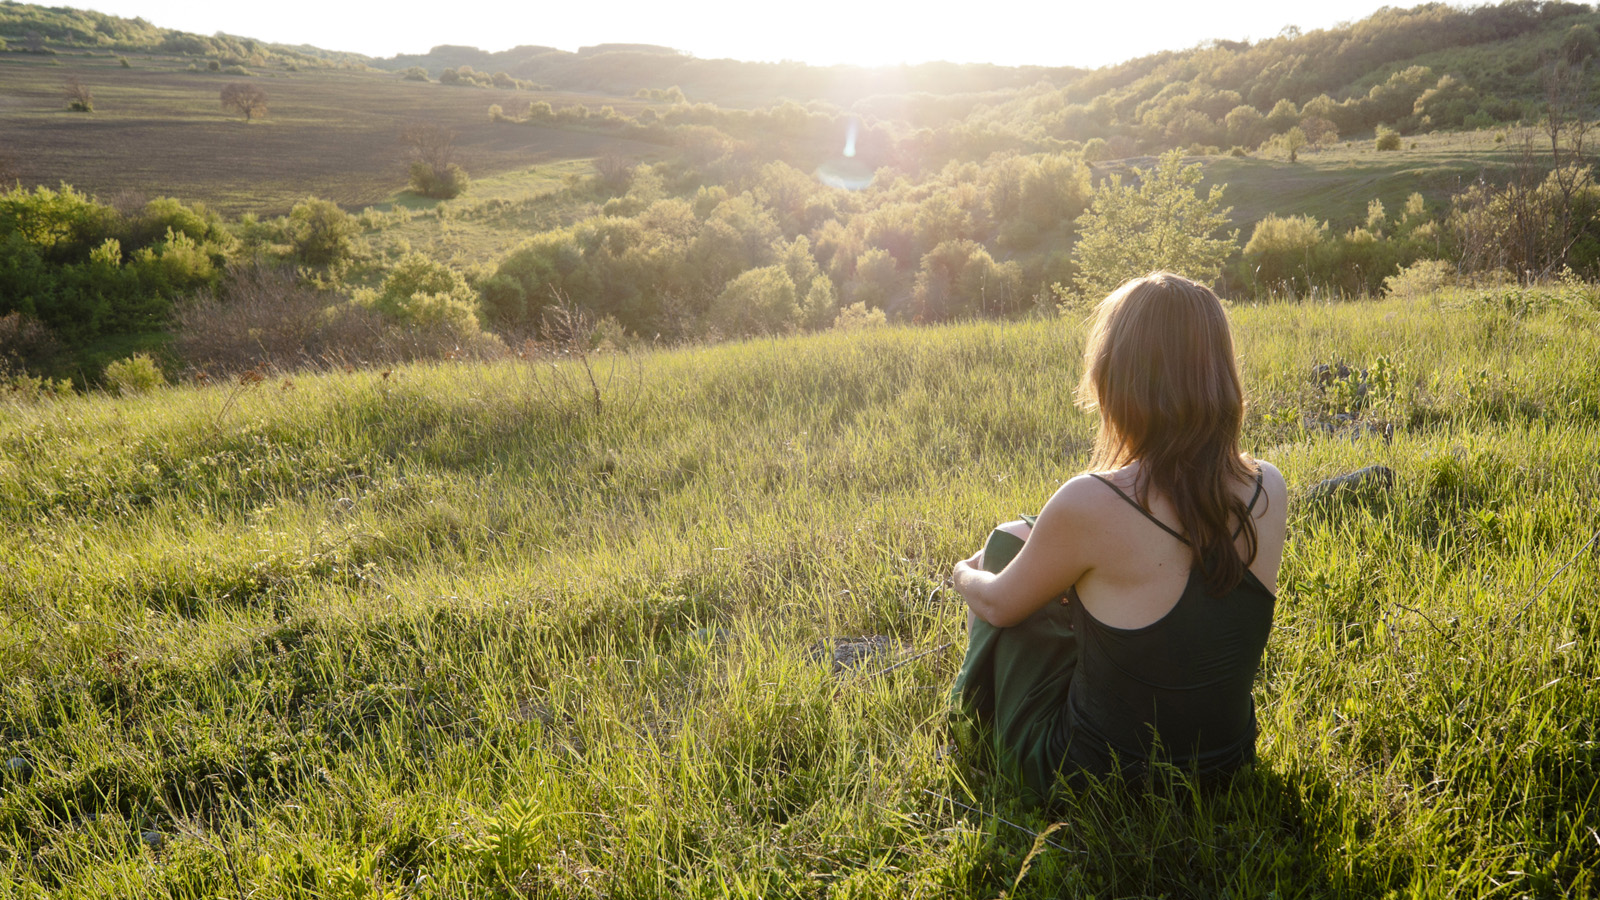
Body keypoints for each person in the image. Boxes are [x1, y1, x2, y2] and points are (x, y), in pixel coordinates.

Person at [949, 271, 1289, 799]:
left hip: (1096, 780)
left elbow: (997, 606)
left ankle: (966, 723)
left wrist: (964, 573)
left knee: (1003, 545)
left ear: (1117, 376)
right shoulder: (1269, 486)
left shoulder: (1091, 500)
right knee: (1027, 540)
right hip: (1226, 766)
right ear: (1220, 373)